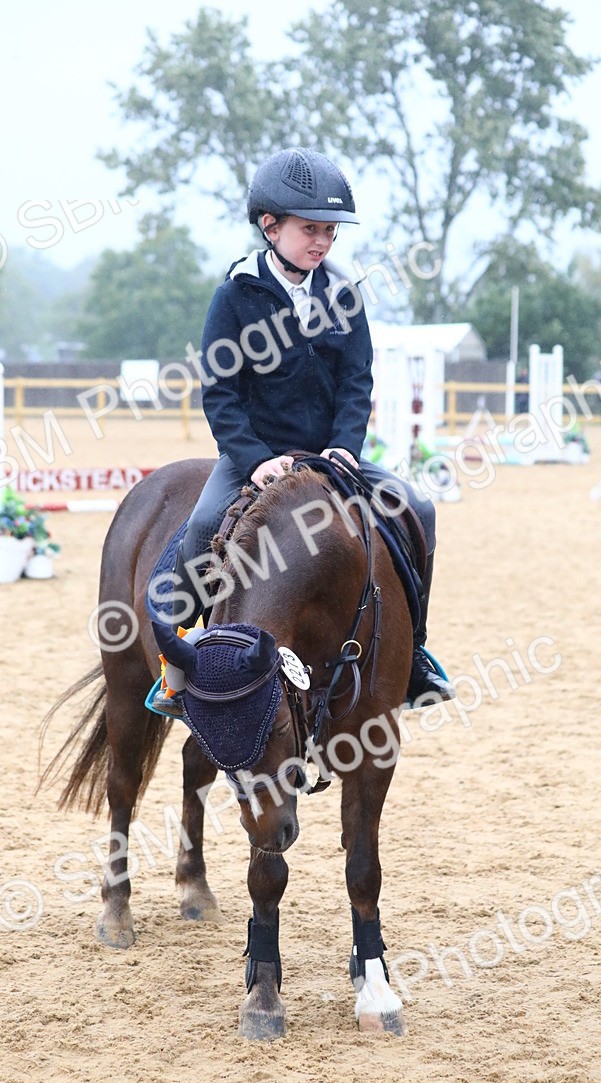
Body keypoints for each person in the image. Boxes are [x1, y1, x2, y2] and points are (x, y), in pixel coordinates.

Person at [150, 147, 453, 716]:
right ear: (270, 226)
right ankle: (182, 663)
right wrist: (255, 459)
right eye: (310, 229)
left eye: (330, 231)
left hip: (330, 454)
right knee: (203, 527)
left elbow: (356, 380)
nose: (322, 241)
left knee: (420, 508)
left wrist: (344, 445)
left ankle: (413, 654)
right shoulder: (235, 295)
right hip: (256, 456)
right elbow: (220, 392)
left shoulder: (344, 293)